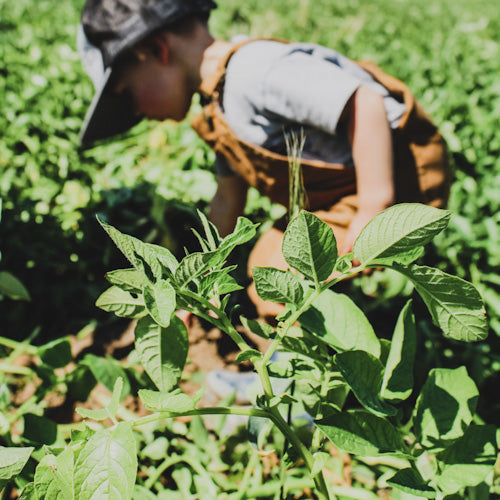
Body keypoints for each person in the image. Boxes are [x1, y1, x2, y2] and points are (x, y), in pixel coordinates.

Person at [78, 0, 451, 320]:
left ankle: (310, 389)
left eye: (128, 93)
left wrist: (374, 207)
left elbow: (363, 102)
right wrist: (196, 286)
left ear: (158, 51)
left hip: (395, 178)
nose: (137, 112)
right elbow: (227, 201)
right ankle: (290, 372)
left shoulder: (254, 72)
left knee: (280, 277)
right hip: (333, 199)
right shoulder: (216, 108)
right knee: (270, 267)